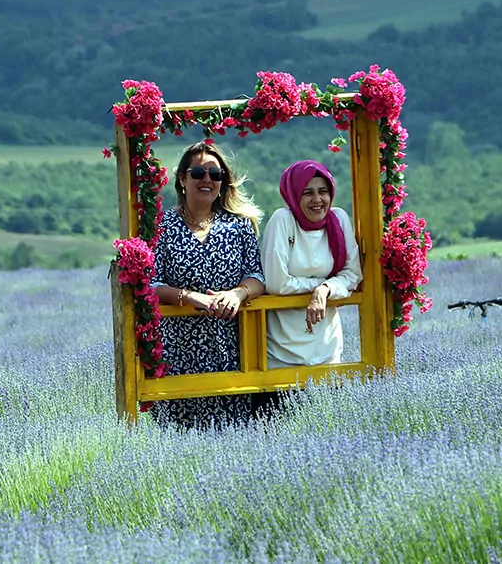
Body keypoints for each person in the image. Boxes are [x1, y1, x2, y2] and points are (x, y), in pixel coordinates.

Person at [149, 141, 266, 430]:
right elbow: (151, 283)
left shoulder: (239, 226)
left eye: (215, 175)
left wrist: (238, 294)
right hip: (180, 350)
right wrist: (188, 297)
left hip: (231, 347)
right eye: (198, 172)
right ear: (182, 179)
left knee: (234, 432)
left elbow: (257, 277)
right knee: (178, 433)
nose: (207, 180)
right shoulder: (161, 227)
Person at [255, 159, 363, 416]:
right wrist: (321, 284)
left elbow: (352, 274)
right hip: (282, 353)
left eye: (322, 191)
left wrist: (324, 291)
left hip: (326, 350)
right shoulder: (283, 220)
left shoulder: (338, 219)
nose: (317, 199)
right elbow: (277, 283)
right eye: (308, 192)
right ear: (293, 194)